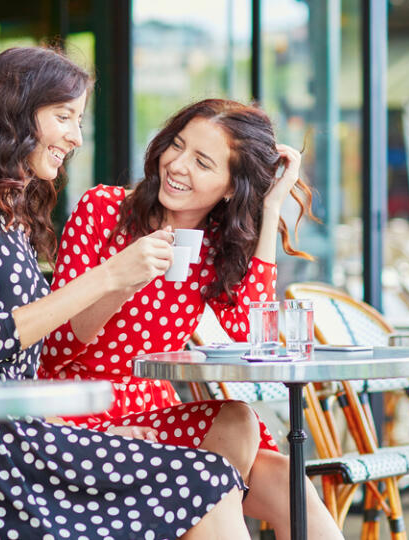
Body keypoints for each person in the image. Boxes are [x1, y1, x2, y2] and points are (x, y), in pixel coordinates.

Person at [0, 47, 253, 540]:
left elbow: (27, 357)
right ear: (16, 112)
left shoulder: (8, 209)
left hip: (18, 424)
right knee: (206, 483)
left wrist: (83, 430)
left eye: (79, 119)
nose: (75, 136)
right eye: (63, 116)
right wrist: (111, 276)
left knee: (213, 474)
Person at [39, 98, 344, 540]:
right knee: (238, 451)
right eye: (176, 147)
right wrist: (124, 277)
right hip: (73, 410)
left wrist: (271, 207)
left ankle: (197, 518)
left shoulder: (217, 245)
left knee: (275, 469)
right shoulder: (104, 210)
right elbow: (60, 348)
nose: (177, 166)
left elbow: (248, 331)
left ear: (228, 188)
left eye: (202, 161)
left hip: (151, 410)